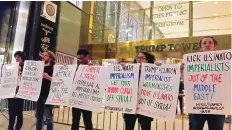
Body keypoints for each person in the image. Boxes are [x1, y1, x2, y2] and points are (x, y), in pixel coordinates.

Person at [180, 36, 225, 130]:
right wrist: (182, 72)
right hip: (197, 105)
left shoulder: (224, 62)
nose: (207, 45)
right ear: (200, 47)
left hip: (217, 106)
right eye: (204, 43)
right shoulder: (192, 63)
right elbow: (188, 84)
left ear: (214, 46)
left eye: (210, 42)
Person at [123, 52, 155, 130]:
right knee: (128, 127)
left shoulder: (152, 72)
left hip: (145, 106)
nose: (139, 59)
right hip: (131, 106)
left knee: (146, 127)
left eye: (142, 57)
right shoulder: (130, 70)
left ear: (147, 60)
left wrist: (159, 67)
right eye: (138, 57)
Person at [71, 49, 93, 130]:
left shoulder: (94, 66)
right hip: (76, 97)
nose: (80, 60)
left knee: (87, 120)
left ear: (87, 56)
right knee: (75, 120)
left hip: (87, 98)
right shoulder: (76, 67)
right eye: (78, 59)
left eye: (82, 58)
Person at [36, 50, 55, 130]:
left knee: (49, 117)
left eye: (45, 55)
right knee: (39, 116)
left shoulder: (53, 67)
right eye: (42, 55)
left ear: (50, 58)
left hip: (48, 95)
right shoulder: (39, 67)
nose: (43, 57)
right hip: (38, 94)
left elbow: (59, 80)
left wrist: (49, 77)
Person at [7, 51, 26, 130]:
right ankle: (10, 127)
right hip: (11, 92)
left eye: (18, 56)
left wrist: (20, 72)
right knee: (11, 111)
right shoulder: (13, 66)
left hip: (20, 93)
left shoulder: (26, 67)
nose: (16, 58)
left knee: (19, 112)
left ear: (22, 57)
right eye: (16, 57)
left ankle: (18, 127)